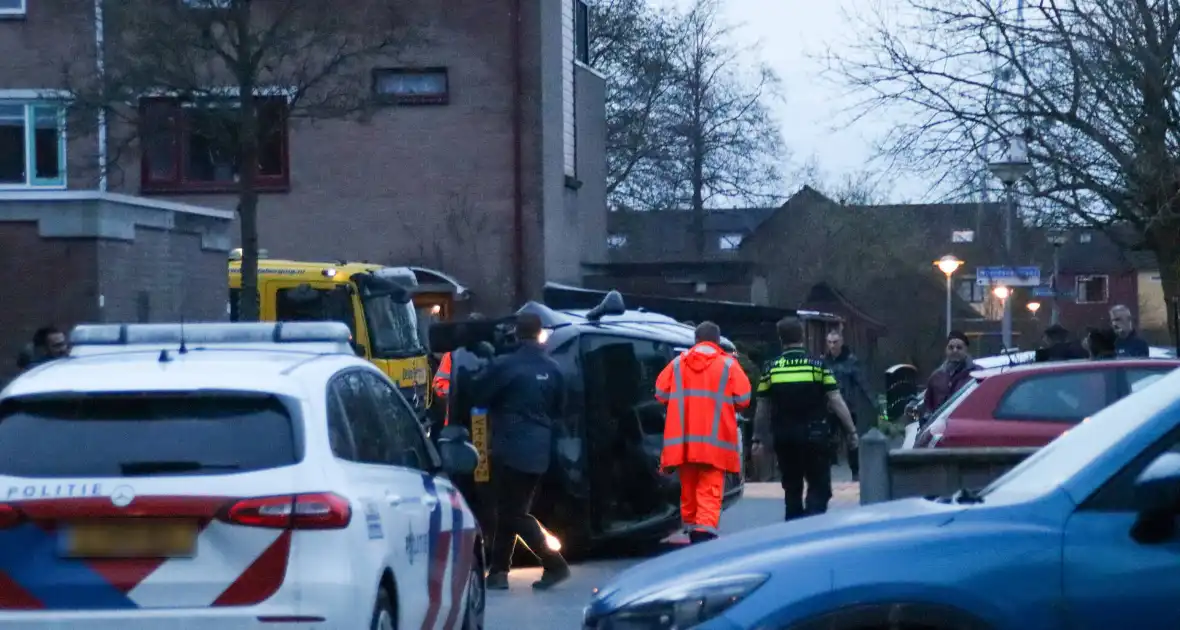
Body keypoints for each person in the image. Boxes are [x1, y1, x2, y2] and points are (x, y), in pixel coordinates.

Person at [474, 312, 569, 591]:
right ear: (540, 334)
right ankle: (499, 572)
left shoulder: (506, 365)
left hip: (510, 447)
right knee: (510, 508)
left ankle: (554, 563)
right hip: (539, 450)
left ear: (517, 333)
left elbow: (480, 394)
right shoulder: (553, 368)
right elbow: (559, 409)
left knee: (513, 513)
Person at [654, 321, 751, 543]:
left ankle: (691, 529)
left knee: (688, 490)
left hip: (683, 444)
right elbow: (744, 399)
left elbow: (660, 392)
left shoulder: (678, 363)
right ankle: (703, 536)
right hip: (715, 445)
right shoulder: (728, 365)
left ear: (695, 340)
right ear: (717, 342)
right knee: (709, 491)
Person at [753, 317, 857, 521]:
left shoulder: (771, 368)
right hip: (815, 437)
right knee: (819, 487)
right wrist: (851, 431)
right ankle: (812, 524)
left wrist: (757, 438)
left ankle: (794, 530)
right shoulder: (817, 366)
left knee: (792, 489)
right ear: (802, 337)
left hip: (784, 438)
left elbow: (762, 407)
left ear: (781, 339)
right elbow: (836, 400)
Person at [823, 330, 874, 481]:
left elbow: (862, 382)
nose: (832, 346)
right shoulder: (824, 362)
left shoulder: (851, 361)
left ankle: (856, 473)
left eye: (835, 342)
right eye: (830, 342)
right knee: (825, 440)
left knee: (852, 439)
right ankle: (825, 472)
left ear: (841, 342)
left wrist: (873, 402)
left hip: (847, 407)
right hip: (829, 408)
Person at [922, 331, 977, 415]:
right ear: (946, 350)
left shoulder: (978, 375)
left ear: (966, 349)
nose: (955, 351)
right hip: (942, 425)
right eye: (951, 348)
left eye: (959, 348)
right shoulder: (936, 377)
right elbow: (928, 407)